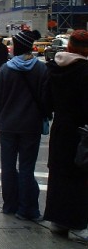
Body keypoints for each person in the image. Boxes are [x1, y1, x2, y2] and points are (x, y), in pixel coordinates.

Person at [0, 29, 47, 222]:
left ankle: (10, 205)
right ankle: (27, 209)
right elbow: (46, 99)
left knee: (8, 166)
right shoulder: (40, 69)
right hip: (31, 126)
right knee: (26, 168)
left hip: (7, 125)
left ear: (18, 47)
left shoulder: (7, 69)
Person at [43, 30, 88, 243]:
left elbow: (46, 103)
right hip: (82, 131)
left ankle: (58, 222)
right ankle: (79, 224)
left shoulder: (54, 69)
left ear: (69, 47)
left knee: (59, 174)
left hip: (61, 129)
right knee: (80, 176)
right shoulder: (85, 71)